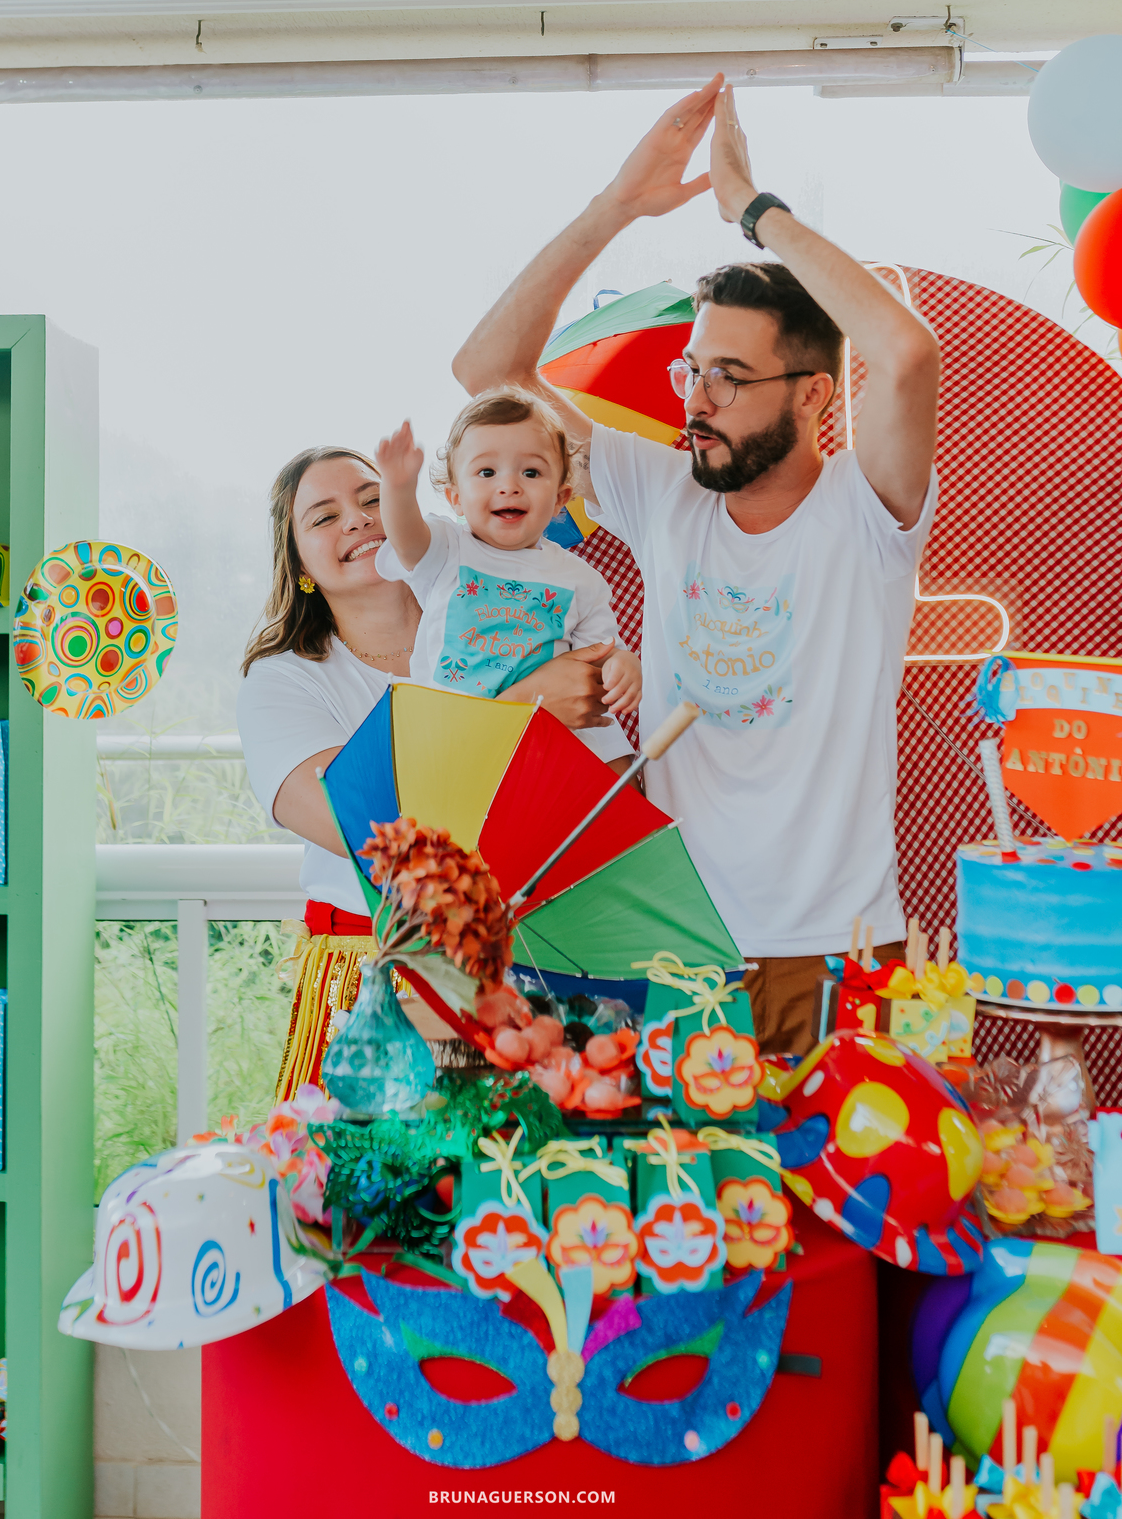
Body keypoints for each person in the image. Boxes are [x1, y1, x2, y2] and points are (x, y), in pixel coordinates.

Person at [453, 76, 941, 1055]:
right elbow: (488, 374)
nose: (696, 398)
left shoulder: (866, 507)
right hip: (678, 946)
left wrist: (752, 211)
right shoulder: (664, 492)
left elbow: (904, 350)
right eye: (691, 369)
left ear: (812, 396)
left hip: (835, 954)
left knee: (841, 1208)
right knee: (691, 1208)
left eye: (728, 375)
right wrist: (616, 208)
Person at [235, 445, 622, 1089]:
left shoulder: (517, 629)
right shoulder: (284, 680)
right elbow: (366, 825)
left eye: (370, 497)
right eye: (323, 517)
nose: (358, 520)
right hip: (373, 976)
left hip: (522, 963)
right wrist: (520, 705)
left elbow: (588, 792)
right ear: (299, 564)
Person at [375, 388, 639, 771]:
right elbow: (406, 538)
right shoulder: (447, 550)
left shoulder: (581, 578)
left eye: (531, 472)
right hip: (456, 742)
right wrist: (397, 488)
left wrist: (623, 663)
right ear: (455, 498)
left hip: (547, 744)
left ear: (561, 498)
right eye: (486, 472)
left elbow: (598, 655)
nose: (509, 485)